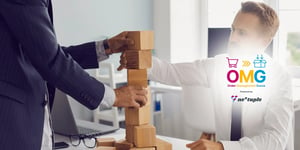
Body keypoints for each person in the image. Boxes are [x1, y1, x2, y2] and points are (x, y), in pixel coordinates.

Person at [119, 1, 294, 150]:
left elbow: (276, 140)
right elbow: (170, 72)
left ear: (264, 42)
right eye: (233, 30)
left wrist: (222, 147)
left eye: (242, 33)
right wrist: (138, 59)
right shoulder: (218, 65)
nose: (232, 38)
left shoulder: (279, 78)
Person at [0, 0, 148, 150]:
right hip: (12, 125)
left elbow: (43, 53)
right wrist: (114, 96)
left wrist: (105, 48)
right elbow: (50, 59)